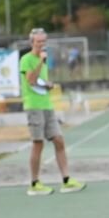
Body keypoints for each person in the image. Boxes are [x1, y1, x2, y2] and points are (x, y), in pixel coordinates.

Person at [20, 28, 85, 196]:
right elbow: (30, 80)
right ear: (32, 43)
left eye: (44, 41)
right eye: (38, 41)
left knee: (59, 140)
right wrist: (40, 62)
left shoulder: (44, 60)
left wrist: (47, 84)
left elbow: (39, 81)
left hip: (47, 105)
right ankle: (34, 183)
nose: (42, 44)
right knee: (38, 143)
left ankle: (66, 180)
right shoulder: (26, 59)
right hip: (34, 106)